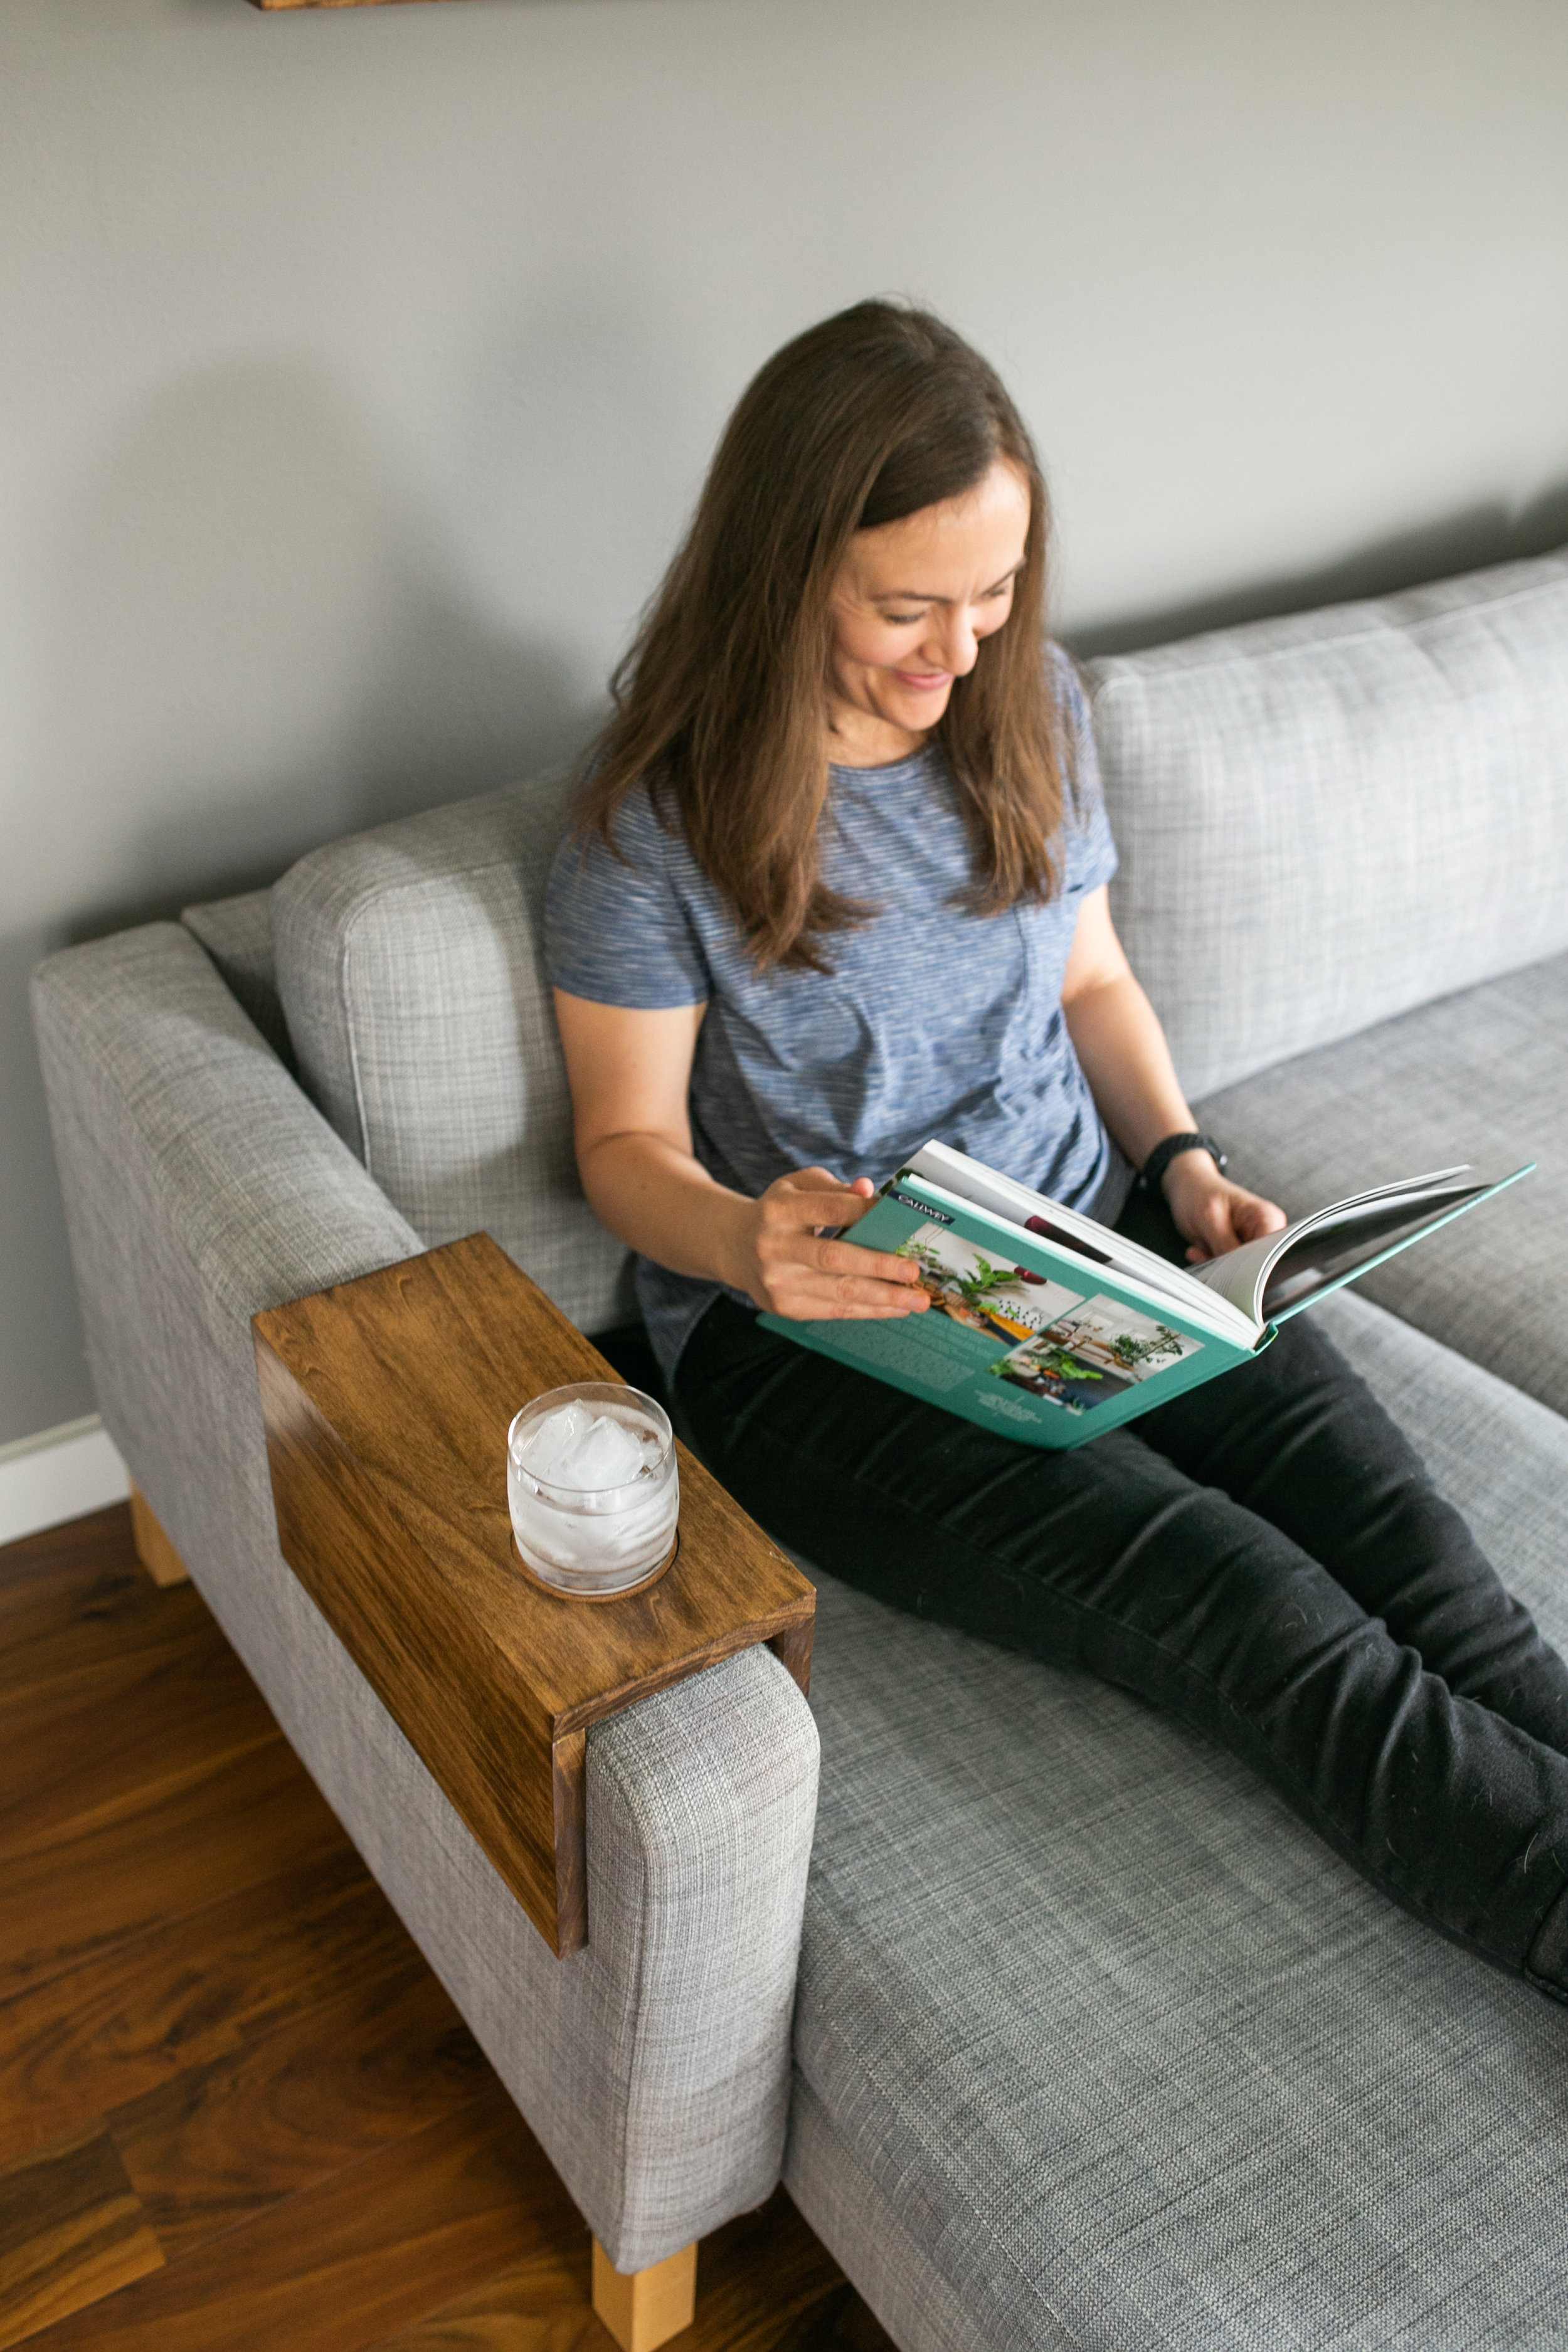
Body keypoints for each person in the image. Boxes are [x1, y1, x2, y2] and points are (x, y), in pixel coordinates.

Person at [546, 299, 1568, 2001]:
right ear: (785, 566)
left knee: (1428, 1570)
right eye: (904, 608)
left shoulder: (1028, 711)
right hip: (816, 1336)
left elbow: (1089, 974)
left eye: (995, 592)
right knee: (1253, 1613)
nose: (959, 650)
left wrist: (1177, 1163)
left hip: (1097, 1245)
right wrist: (745, 1241)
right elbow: (623, 1141)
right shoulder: (649, 823)